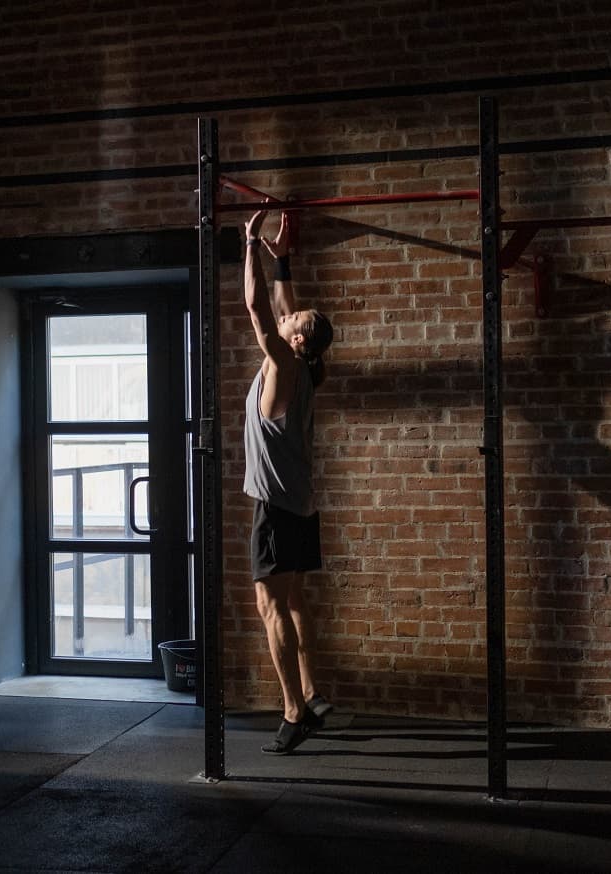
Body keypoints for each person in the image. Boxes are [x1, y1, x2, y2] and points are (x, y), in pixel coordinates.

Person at [242, 206, 336, 755]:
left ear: (296, 341)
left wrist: (250, 243)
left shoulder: (282, 362)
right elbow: (280, 303)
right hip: (299, 503)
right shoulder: (303, 362)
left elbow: (257, 306)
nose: (289, 316)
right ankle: (312, 691)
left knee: (269, 605)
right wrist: (284, 258)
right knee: (295, 597)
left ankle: (293, 711)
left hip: (275, 506)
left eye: (295, 322)